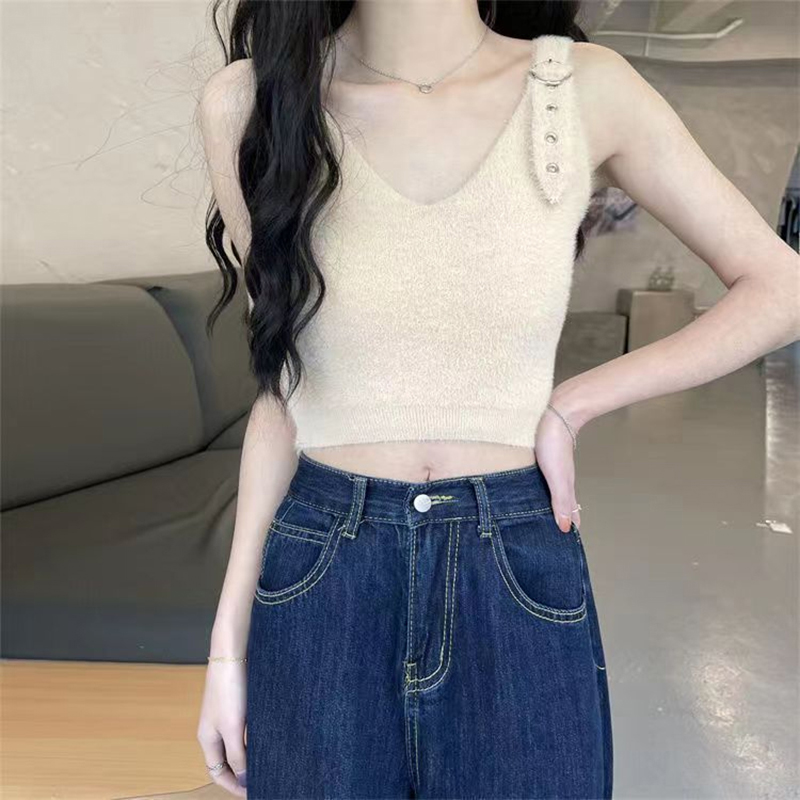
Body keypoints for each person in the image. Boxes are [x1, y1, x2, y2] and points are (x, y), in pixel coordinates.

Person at [195, 1, 800, 798]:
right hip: (322, 568)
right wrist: (228, 644)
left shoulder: (585, 87)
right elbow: (281, 391)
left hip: (511, 559)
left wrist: (572, 404)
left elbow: (779, 287)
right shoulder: (254, 100)